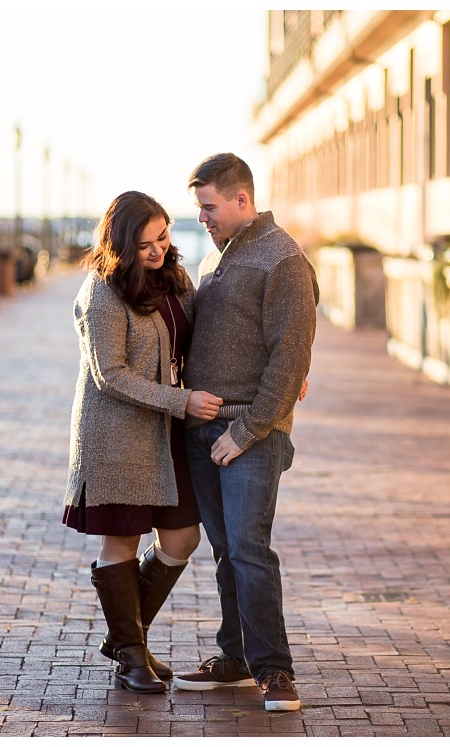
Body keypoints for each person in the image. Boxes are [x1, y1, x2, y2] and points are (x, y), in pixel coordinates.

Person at [172, 153, 319, 712]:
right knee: (226, 551)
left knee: (250, 550)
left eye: (209, 207)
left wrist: (250, 428)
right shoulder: (222, 257)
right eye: (199, 209)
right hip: (202, 428)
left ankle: (274, 671)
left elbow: (290, 352)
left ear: (242, 199)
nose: (203, 217)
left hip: (249, 435)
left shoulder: (282, 258)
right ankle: (233, 656)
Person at [63, 191, 224, 694]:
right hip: (114, 434)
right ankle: (132, 655)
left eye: (164, 236)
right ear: (121, 243)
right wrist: (183, 402)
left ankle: (123, 636)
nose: (159, 250)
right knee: (123, 541)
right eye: (146, 244)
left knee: (182, 537)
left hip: (164, 427)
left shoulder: (175, 279)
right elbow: (109, 375)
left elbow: (206, 339)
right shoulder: (101, 292)